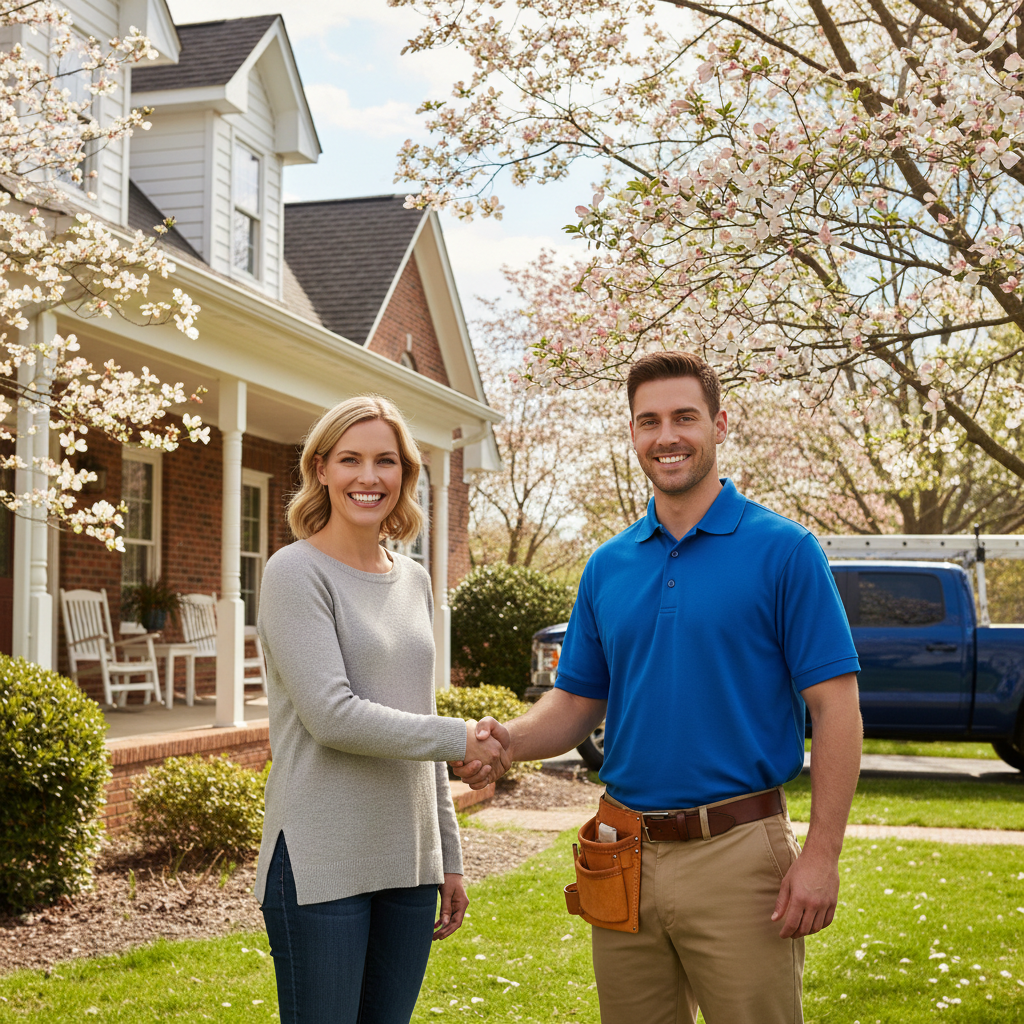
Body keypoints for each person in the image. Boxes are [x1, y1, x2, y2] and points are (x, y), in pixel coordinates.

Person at [455, 351, 862, 1024]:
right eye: (648, 421)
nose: (666, 436)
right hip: (623, 854)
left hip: (739, 853)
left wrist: (822, 855)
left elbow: (836, 708)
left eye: (684, 417)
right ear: (633, 432)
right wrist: (505, 743)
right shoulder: (608, 566)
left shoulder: (785, 551)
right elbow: (578, 702)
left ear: (720, 424)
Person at [254, 394, 509, 1024]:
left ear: (405, 474)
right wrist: (462, 739)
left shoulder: (415, 579)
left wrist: (447, 857)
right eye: (350, 460)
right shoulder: (295, 572)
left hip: (409, 859)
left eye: (385, 461)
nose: (368, 477)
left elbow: (415, 717)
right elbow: (332, 716)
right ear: (320, 469)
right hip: (322, 859)